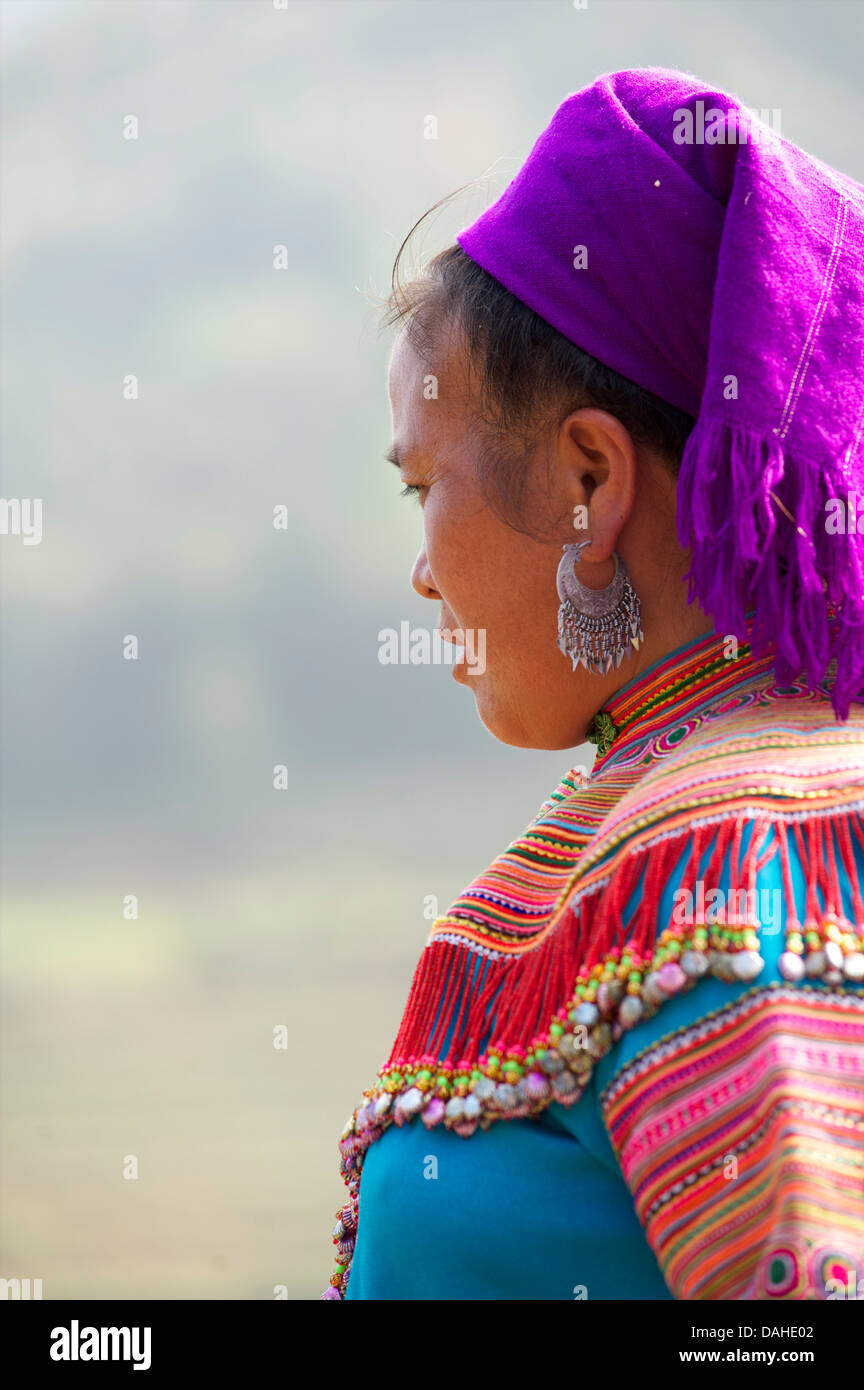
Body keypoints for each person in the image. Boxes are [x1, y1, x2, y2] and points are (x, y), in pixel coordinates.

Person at [322, 67, 864, 1301]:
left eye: (422, 487)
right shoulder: (709, 811)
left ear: (588, 481)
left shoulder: (729, 863)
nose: (419, 573)